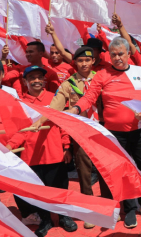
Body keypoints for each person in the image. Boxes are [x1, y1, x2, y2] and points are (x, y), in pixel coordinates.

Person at [67, 36, 141, 228]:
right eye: (114, 54)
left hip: (139, 131)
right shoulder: (102, 75)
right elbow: (89, 97)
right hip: (116, 135)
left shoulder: (139, 71)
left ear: (128, 54)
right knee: (124, 172)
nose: (117, 58)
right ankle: (130, 209)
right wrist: (75, 109)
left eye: (121, 54)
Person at [6, 66, 77, 236]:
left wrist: (66, 146)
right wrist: (10, 147)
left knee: (60, 188)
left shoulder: (54, 98)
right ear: (25, 81)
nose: (36, 80)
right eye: (32, 78)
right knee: (40, 192)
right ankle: (45, 220)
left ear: (44, 80)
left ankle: (63, 217)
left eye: (39, 77)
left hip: (55, 154)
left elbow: (63, 124)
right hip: (32, 157)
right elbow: (19, 131)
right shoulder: (20, 104)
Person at [48, 46, 99, 229]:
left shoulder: (100, 78)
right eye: (80, 60)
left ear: (93, 61)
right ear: (75, 63)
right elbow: (56, 105)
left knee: (106, 170)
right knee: (84, 172)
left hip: (103, 131)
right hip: (82, 133)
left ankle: (111, 205)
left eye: (87, 60)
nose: (84, 63)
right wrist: (41, 117)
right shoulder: (68, 84)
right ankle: (90, 211)